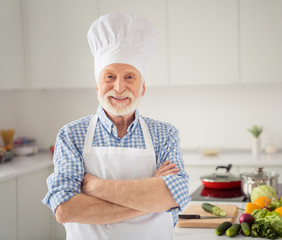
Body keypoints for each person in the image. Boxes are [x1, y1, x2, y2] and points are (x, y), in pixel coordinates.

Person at [42, 12, 190, 240]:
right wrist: (150, 200)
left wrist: (95, 187)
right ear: (97, 86)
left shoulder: (165, 134)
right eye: (109, 76)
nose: (119, 87)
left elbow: (175, 195)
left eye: (129, 77)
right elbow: (65, 209)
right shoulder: (71, 135)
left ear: (142, 88)